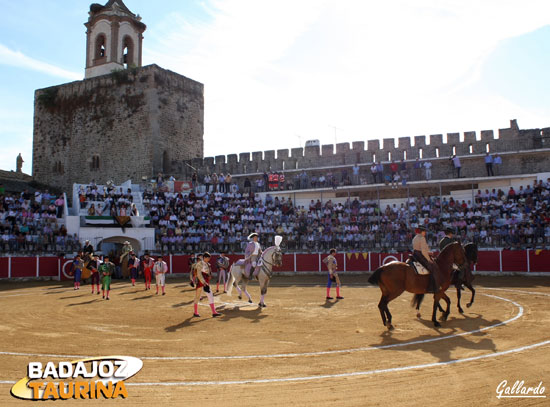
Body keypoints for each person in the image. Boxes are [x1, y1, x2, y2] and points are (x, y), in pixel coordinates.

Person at [412, 226, 442, 293]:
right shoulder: (422, 238)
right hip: (420, 256)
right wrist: (429, 259)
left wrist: (428, 252)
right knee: (432, 268)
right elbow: (423, 252)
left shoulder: (415, 237)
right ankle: (431, 287)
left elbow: (418, 249)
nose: (425, 233)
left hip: (415, 255)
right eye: (424, 231)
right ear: (422, 231)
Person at [193, 252, 221, 317]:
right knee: (197, 296)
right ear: (204, 257)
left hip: (206, 281)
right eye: (208, 258)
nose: (209, 259)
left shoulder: (207, 264)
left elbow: (207, 272)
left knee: (210, 295)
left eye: (209, 258)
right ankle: (195, 312)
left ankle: (214, 312)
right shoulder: (200, 264)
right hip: (201, 282)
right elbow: (199, 274)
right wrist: (204, 282)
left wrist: (209, 275)